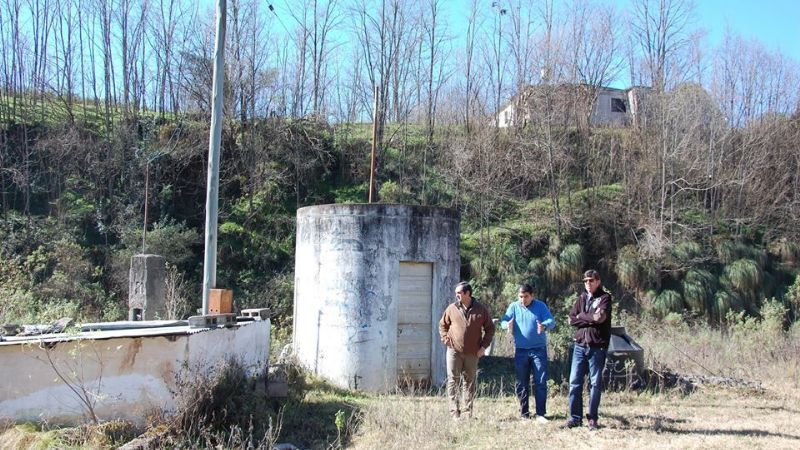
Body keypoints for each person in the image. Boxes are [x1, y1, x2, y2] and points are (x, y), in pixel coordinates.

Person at [562, 269, 612, 431]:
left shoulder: (605, 298)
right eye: (585, 281)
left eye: (591, 280)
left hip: (597, 347)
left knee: (595, 384)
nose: (588, 283)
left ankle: (592, 419)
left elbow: (600, 318)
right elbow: (571, 319)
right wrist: (589, 318)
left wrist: (581, 316)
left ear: (598, 282)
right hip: (579, 346)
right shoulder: (582, 298)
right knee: (574, 382)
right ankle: (575, 418)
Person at [438, 281, 495, 419]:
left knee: (469, 382)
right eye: (456, 293)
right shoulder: (452, 308)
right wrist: (446, 339)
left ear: (467, 293)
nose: (456, 295)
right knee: (453, 381)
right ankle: (454, 413)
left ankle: (467, 413)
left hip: (473, 353)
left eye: (459, 293)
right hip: (454, 351)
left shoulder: (481, 309)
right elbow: (442, 325)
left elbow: (490, 329)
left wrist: (483, 347)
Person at [500, 283, 555, 422]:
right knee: (521, 382)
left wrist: (544, 325)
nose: (522, 299)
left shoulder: (540, 306)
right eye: (520, 296)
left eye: (525, 296)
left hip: (538, 350)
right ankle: (524, 413)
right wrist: (507, 325)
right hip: (521, 350)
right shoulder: (514, 306)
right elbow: (503, 321)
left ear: (532, 296)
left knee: (540, 381)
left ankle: (540, 414)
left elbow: (551, 321)